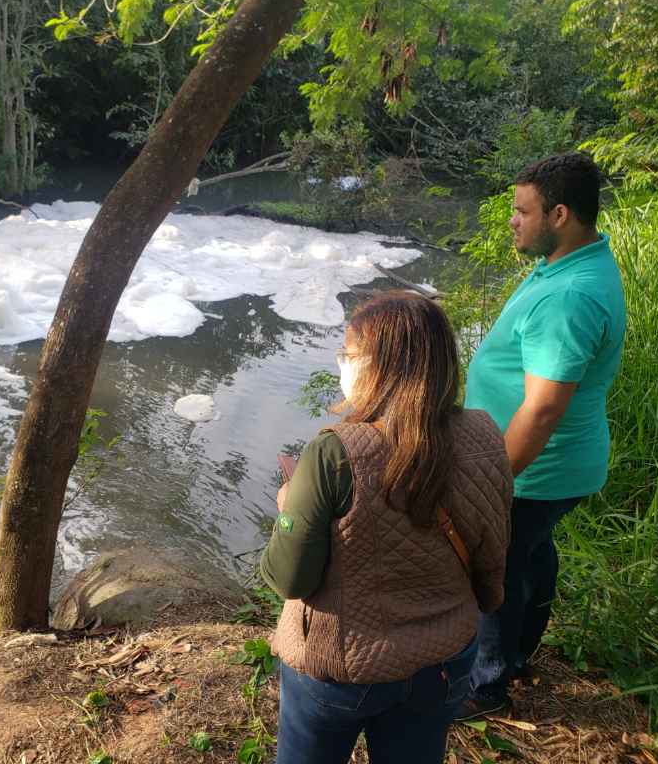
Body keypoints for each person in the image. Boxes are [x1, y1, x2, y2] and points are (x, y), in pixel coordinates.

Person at [261, 292, 512, 764]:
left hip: (343, 669)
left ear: (380, 364)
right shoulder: (484, 434)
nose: (342, 365)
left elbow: (288, 578)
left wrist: (289, 507)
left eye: (348, 354)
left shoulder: (337, 451)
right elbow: (493, 554)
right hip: (443, 659)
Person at [458, 152, 627, 719]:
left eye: (519, 211)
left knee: (496, 564)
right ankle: (519, 654)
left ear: (559, 213)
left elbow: (545, 407)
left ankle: (485, 685)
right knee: (530, 553)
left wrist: (493, 479)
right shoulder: (571, 263)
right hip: (556, 465)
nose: (511, 220)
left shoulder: (568, 296)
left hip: (537, 464)